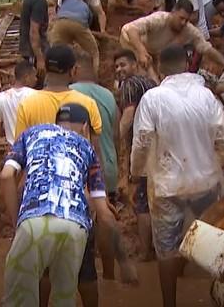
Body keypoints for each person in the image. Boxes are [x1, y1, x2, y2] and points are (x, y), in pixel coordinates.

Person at [131, 45, 224, 307]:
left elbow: (142, 141)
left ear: (161, 67)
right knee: (214, 243)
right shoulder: (206, 96)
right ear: (187, 63)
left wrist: (136, 173)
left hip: (167, 185)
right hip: (207, 183)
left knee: (166, 250)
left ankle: (170, 303)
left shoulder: (152, 98)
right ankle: (220, 299)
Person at [0, 103, 118, 307]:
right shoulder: (87, 147)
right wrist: (122, 261)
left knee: (18, 299)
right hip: (76, 225)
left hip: (34, 219)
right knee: (65, 298)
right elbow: (104, 214)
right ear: (84, 127)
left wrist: (16, 221)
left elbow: (6, 175)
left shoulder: (31, 133)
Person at [71, 52, 120, 280]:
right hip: (108, 166)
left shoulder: (70, 93)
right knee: (105, 217)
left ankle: (82, 271)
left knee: (79, 219)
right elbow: (117, 134)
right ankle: (110, 274)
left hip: (83, 166)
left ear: (75, 70)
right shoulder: (108, 95)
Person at [120, 0, 224, 80]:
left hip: (155, 52)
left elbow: (208, 49)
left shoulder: (189, 30)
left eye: (186, 20)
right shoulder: (160, 18)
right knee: (144, 74)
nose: (183, 23)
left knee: (160, 76)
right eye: (181, 18)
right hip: (132, 41)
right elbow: (131, 29)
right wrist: (141, 51)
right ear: (173, 12)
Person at [114, 49, 158, 261]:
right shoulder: (150, 84)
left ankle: (144, 252)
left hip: (143, 151)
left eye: (123, 64)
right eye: (116, 67)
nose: (119, 70)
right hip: (160, 150)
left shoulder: (130, 85)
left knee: (142, 203)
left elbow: (129, 115)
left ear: (134, 64)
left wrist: (114, 142)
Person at [14, 45, 102, 140]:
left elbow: (19, 148)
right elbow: (95, 149)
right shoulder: (88, 104)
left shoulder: (27, 105)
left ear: (45, 68)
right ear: (73, 70)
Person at [19, 0, 65, 82]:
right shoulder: (39, 1)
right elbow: (34, 32)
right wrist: (39, 59)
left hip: (31, 49)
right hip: (33, 52)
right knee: (37, 83)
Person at [48, 0, 101, 72]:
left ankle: (55, 77)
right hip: (79, 24)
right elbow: (86, 24)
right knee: (94, 53)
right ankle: (94, 79)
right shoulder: (87, 7)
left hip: (61, 22)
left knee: (55, 52)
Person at [0, 60, 38, 146]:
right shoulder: (37, 96)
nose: (36, 79)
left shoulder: (0, 98)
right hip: (32, 147)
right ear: (26, 77)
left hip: (13, 149)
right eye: (34, 76)